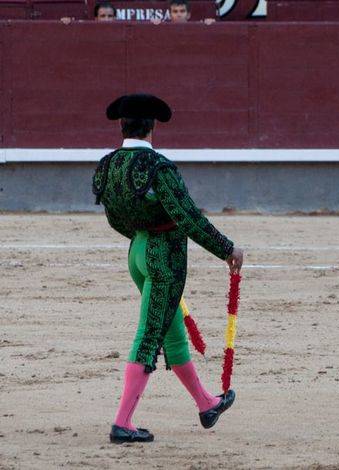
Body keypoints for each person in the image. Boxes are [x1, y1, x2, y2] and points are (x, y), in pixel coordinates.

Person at [93, 94, 243, 443]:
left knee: (172, 331)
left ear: (121, 125)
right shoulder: (158, 167)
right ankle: (123, 423)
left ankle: (207, 404)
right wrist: (227, 249)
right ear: (153, 127)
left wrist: (141, 238)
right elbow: (188, 218)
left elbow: (115, 217)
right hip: (165, 259)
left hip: (137, 252)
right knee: (149, 334)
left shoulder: (109, 165)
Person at [152, 0, 216, 25]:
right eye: (175, 11)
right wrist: (154, 25)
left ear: (188, 15)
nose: (178, 14)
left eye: (182, 11)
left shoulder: (198, 25)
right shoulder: (163, 26)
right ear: (170, 15)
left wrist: (211, 24)